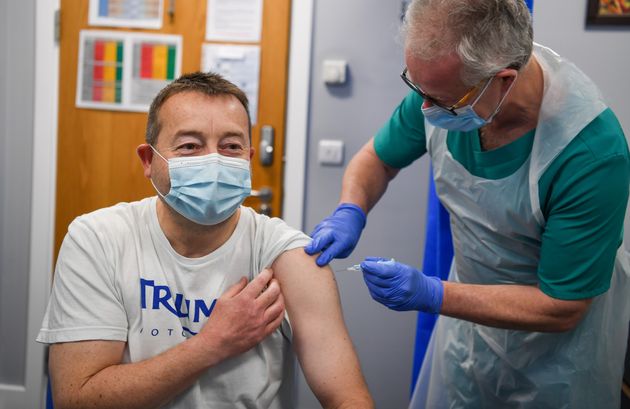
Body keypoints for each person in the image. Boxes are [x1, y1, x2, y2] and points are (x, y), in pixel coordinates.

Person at [304, 0, 630, 407]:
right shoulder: (440, 91)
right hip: (469, 332)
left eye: (440, 100)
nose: (425, 109)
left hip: (559, 361)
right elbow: (376, 159)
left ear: (503, 79)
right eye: (418, 89)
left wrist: (432, 294)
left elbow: (562, 306)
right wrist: (350, 210)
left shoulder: (590, 153)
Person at [37, 72, 373, 409]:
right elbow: (76, 398)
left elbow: (347, 398)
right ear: (149, 160)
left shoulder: (285, 255)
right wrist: (210, 345)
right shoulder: (98, 240)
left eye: (230, 146)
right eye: (189, 146)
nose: (213, 160)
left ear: (249, 160)